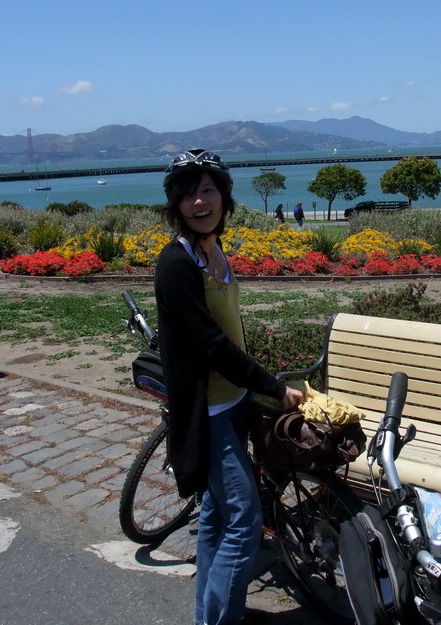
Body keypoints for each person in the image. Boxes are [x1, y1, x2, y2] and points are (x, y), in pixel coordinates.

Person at [156, 149, 303, 625]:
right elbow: (211, 344)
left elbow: (230, 329)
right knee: (242, 517)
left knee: (218, 514)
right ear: (175, 205)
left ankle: (209, 615)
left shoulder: (215, 251)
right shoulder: (175, 264)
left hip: (235, 401)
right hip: (210, 411)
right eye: (188, 194)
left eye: (208, 190)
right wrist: (274, 387)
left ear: (224, 195)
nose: (200, 202)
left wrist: (255, 387)